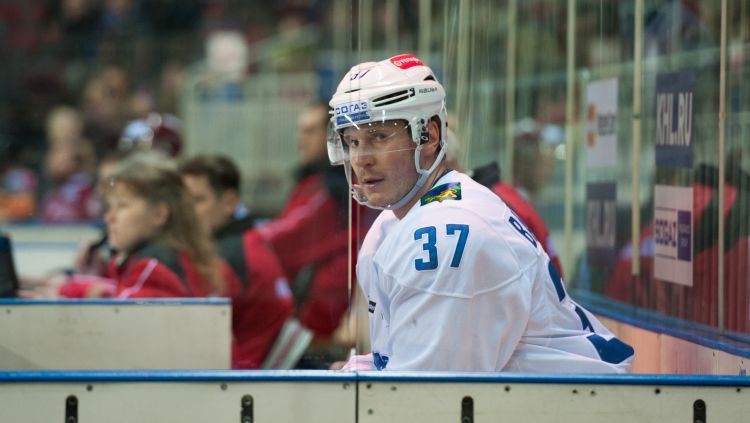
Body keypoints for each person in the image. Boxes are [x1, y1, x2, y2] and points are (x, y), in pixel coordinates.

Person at [327, 53, 633, 372]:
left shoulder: (445, 232)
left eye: (378, 137)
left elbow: (424, 391)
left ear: (429, 136)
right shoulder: (394, 224)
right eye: (352, 141)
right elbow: (397, 363)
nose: (360, 159)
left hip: (584, 398)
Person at [257, 103, 371, 341]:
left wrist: (242, 239)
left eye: (309, 131)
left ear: (334, 136)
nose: (301, 140)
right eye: (300, 131)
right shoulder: (317, 182)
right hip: (321, 314)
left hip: (327, 321)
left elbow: (287, 236)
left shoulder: (334, 189)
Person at [179, 154, 297, 369]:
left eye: (197, 200)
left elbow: (196, 336)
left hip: (240, 378)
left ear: (229, 202)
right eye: (183, 202)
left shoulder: (225, 259)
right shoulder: (251, 241)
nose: (186, 213)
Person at [56, 161, 233, 300]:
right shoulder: (161, 257)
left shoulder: (154, 265)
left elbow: (121, 311)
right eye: (109, 207)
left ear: (159, 214)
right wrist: (95, 276)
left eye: (122, 206)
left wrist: (69, 289)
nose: (109, 217)